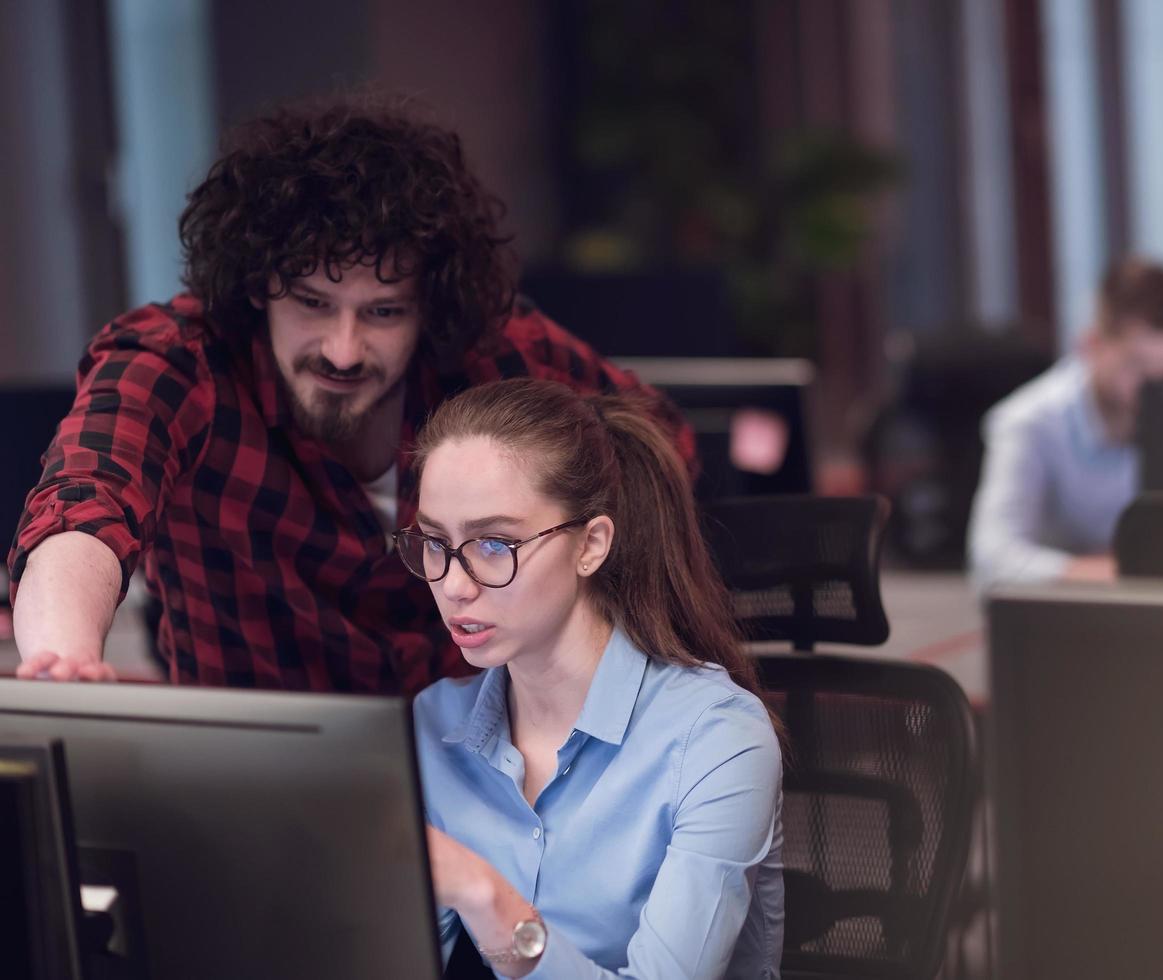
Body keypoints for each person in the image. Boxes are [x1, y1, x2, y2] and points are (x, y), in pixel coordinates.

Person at [7, 96, 691, 692]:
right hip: (264, 788)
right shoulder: (176, 361)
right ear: (256, 284)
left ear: (428, 304)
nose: (343, 349)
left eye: (383, 312)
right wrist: (62, 661)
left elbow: (655, 445)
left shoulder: (495, 351)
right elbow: (85, 501)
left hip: (493, 777)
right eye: (312, 302)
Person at [406, 378, 782, 977]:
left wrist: (483, 894)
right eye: (433, 543)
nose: (454, 584)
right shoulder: (434, 724)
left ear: (592, 545)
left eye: (494, 544)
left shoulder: (715, 738)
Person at [967, 259, 1163, 591]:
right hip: (1057, 623)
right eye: (1138, 367)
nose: (1153, 390)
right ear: (1091, 344)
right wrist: (1120, 571)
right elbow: (991, 561)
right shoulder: (1029, 423)